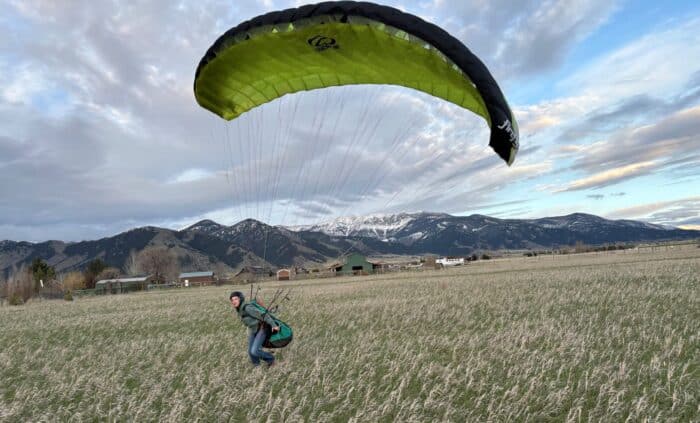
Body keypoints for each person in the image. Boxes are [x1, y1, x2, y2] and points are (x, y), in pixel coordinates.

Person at [229, 291, 279, 367]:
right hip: (254, 330)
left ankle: (271, 359)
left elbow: (263, 315)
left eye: (236, 299)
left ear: (240, 299)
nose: (234, 301)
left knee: (255, 351)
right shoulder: (240, 309)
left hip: (262, 328)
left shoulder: (247, 308)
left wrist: (273, 325)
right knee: (250, 352)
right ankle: (257, 367)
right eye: (232, 300)